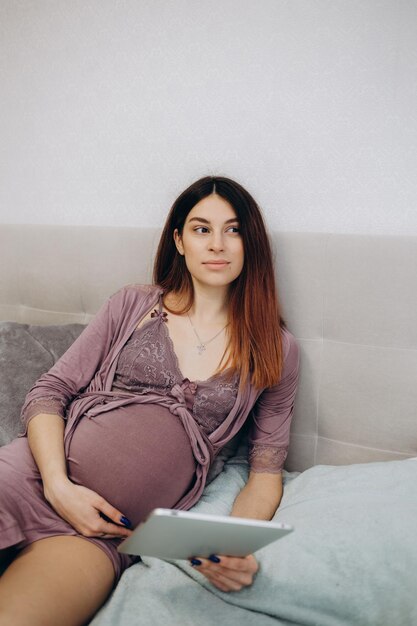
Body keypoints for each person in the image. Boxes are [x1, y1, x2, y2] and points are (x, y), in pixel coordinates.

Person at [0, 175, 299, 625]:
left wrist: (232, 542)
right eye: (201, 229)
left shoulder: (276, 349)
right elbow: (49, 392)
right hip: (30, 479)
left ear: (250, 243)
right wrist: (59, 487)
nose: (217, 243)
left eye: (233, 230)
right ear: (179, 240)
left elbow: (264, 473)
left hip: (106, 534)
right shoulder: (132, 304)